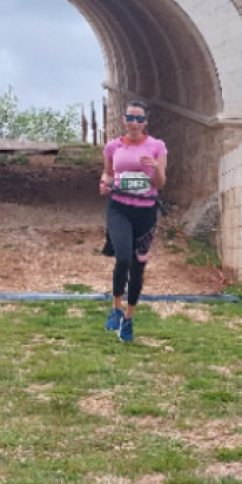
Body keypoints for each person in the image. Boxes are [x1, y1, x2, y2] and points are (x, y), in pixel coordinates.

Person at [99, 101, 168, 342]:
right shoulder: (113, 146)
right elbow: (108, 173)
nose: (135, 123)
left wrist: (156, 167)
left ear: (146, 122)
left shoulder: (157, 146)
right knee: (124, 257)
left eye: (140, 119)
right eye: (131, 118)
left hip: (146, 211)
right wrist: (104, 183)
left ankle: (129, 318)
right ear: (124, 120)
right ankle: (116, 309)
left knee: (138, 266)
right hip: (119, 207)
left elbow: (160, 184)